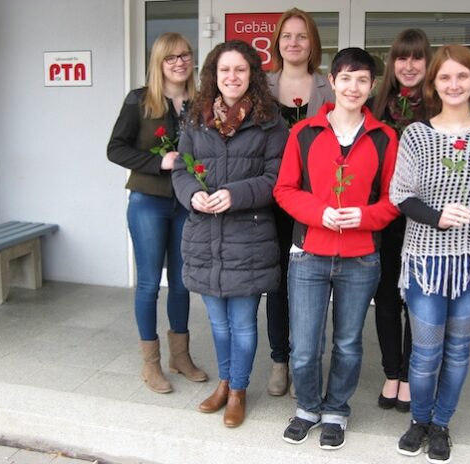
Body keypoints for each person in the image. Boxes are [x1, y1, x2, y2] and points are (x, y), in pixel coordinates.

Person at [391, 44, 470, 463]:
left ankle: (442, 424)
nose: (454, 84)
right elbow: (401, 196)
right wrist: (437, 216)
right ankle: (419, 420)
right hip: (425, 259)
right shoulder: (417, 136)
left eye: (462, 76)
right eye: (445, 77)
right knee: (426, 351)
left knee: (458, 350)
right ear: (434, 84)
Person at [274, 48, 400, 450]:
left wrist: (362, 217)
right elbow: (285, 190)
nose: (353, 87)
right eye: (346, 78)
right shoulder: (305, 133)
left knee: (347, 342)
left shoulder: (383, 137)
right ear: (331, 81)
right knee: (305, 344)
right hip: (309, 254)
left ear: (372, 86)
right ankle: (308, 407)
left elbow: (394, 201)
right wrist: (319, 213)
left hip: (361, 258)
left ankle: (336, 411)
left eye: (362, 80)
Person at [171, 40, 289, 428]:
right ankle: (223, 383)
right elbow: (181, 170)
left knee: (241, 322)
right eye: (225, 70)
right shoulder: (195, 118)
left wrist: (234, 195)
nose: (232, 77)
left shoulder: (271, 120)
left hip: (248, 237)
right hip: (205, 234)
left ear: (252, 74)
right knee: (217, 323)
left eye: (240, 70)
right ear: (213, 75)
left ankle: (238, 390)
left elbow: (276, 179)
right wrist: (193, 196)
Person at [107, 32, 207, 394]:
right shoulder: (139, 100)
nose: (180, 62)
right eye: (171, 58)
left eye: (185, 56)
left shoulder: (200, 102)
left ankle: (180, 357)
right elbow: (115, 149)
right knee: (150, 283)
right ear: (159, 63)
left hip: (185, 203)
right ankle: (150, 365)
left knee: (182, 282)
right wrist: (156, 161)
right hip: (148, 201)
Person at [264, 7, 335, 397]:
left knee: (309, 283)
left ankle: (306, 361)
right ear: (277, 42)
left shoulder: (329, 88)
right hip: (270, 200)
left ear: (313, 43)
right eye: (287, 36)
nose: (294, 43)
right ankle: (280, 361)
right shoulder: (261, 85)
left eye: (302, 36)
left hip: (314, 201)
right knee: (277, 282)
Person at [370, 29, 432, 413]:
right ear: (393, 64)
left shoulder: (438, 106)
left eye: (417, 58)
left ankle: (410, 375)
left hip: (424, 219)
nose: (409, 66)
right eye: (402, 58)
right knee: (387, 297)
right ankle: (392, 373)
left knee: (417, 299)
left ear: (428, 63)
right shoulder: (377, 106)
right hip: (386, 218)